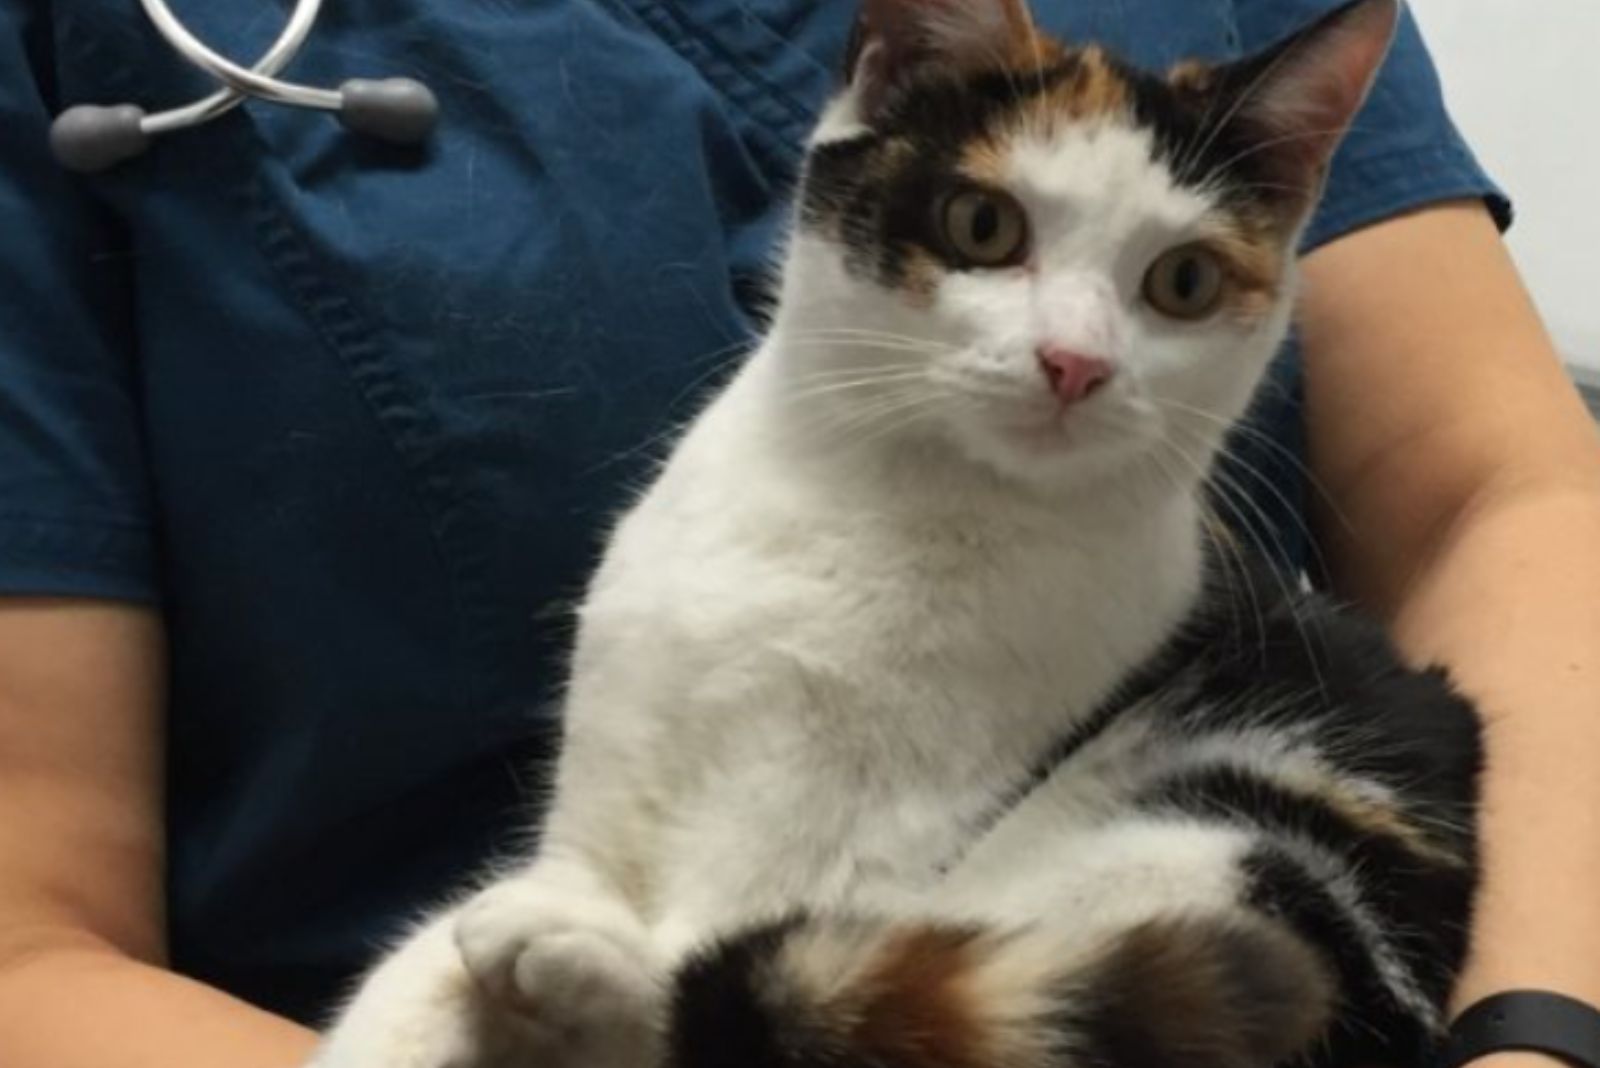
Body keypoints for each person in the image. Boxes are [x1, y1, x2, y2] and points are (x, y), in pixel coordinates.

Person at [1, 1, 1596, 1066]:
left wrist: (1540, 1035)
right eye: (987, 228)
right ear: (886, 83)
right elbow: (28, 937)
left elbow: (1505, 494)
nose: (1072, 351)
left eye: (1180, 284)